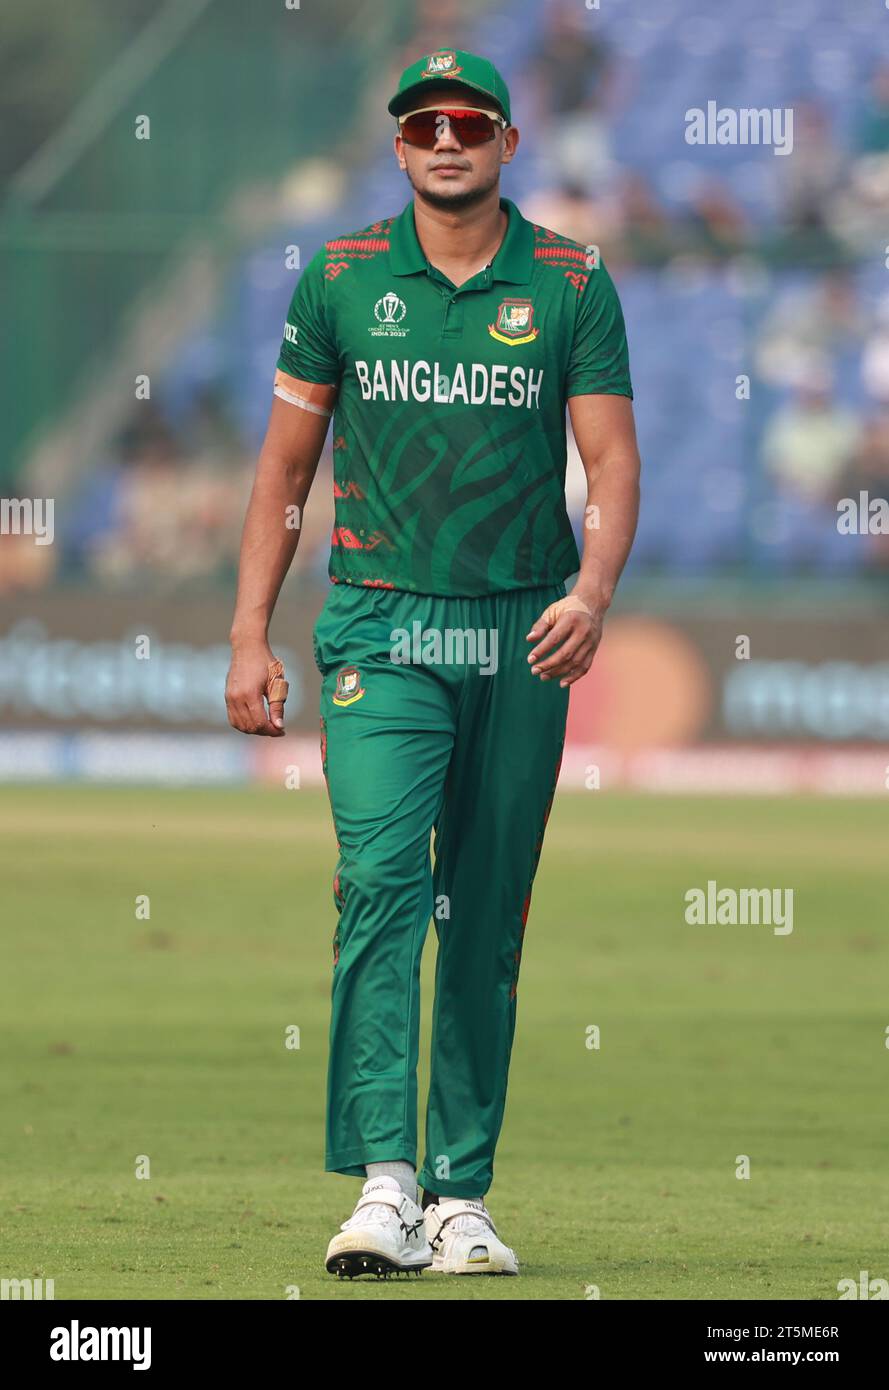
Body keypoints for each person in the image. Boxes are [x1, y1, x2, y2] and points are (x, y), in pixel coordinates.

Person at [225, 47, 640, 1279]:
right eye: (421, 125)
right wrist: (250, 629)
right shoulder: (342, 277)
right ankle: (383, 1184)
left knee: (486, 908)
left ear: (509, 142)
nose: (444, 140)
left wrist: (592, 589)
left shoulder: (571, 280)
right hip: (380, 625)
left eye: (468, 122)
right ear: (397, 148)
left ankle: (461, 1195)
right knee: (381, 884)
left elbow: (611, 466)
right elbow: (282, 473)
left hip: (521, 629)